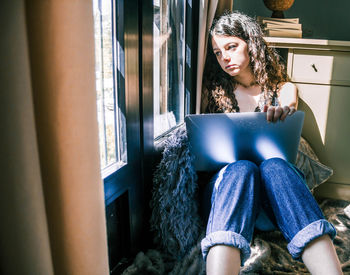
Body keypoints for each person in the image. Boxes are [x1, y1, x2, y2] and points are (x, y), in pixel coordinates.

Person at [200, 11, 343, 275]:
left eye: (231, 47)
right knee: (242, 168)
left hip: (272, 205)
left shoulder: (283, 89)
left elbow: (288, 105)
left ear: (251, 44)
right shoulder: (212, 92)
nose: (225, 58)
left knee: (275, 166)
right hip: (229, 198)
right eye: (218, 53)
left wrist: (282, 113)